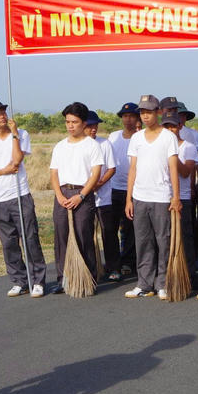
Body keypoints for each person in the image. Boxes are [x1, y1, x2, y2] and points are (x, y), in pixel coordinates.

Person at [0, 98, 47, 297]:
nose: (2, 117)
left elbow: (17, 160)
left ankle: (38, 281)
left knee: (30, 238)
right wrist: (4, 170)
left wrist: (15, 134)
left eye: (3, 112)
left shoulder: (22, 134)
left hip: (20, 194)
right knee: (8, 243)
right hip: (0, 199)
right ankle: (19, 281)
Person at [125, 94, 181, 299]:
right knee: (143, 241)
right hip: (140, 196)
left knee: (163, 241)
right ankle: (144, 283)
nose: (145, 116)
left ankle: (163, 283)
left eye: (149, 111)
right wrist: (128, 199)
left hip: (161, 196)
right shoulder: (136, 138)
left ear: (158, 112)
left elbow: (173, 168)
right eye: (142, 112)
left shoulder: (168, 137)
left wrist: (175, 197)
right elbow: (133, 169)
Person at [49, 102, 103, 294]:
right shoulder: (60, 146)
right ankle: (63, 279)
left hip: (83, 195)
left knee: (83, 235)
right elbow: (54, 173)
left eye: (75, 122)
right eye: (68, 122)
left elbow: (95, 174)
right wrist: (59, 195)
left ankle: (88, 278)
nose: (71, 126)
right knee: (61, 236)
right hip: (62, 194)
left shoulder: (92, 146)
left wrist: (81, 195)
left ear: (83, 122)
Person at [162, 107, 198, 281]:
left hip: (182, 197)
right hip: (162, 197)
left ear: (179, 126)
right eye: (167, 127)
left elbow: (186, 172)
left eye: (174, 126)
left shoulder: (189, 147)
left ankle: (190, 274)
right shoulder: (159, 146)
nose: (171, 130)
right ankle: (169, 274)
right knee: (166, 237)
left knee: (185, 237)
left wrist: (173, 155)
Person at [84, 110, 119, 281]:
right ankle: (92, 268)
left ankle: (114, 267)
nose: (93, 129)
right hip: (84, 197)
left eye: (95, 125)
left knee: (108, 232)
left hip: (103, 197)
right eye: (90, 125)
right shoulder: (79, 145)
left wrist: (99, 183)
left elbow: (111, 168)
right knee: (87, 233)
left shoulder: (105, 144)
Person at [108, 102, 141, 276]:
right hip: (113, 188)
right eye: (125, 116)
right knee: (111, 228)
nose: (128, 120)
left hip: (133, 189)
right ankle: (114, 263)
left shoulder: (140, 137)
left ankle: (128, 261)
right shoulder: (113, 137)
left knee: (129, 228)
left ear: (138, 118)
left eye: (132, 116)